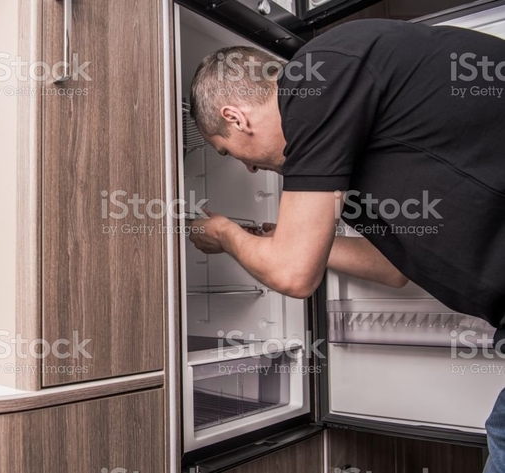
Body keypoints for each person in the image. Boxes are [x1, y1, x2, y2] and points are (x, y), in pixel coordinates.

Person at [187, 19, 505, 472]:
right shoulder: (351, 158)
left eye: (227, 151)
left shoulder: (317, 75)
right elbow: (395, 266)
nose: (249, 171)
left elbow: (293, 275)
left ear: (234, 118)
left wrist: (223, 234)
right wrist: (273, 239)